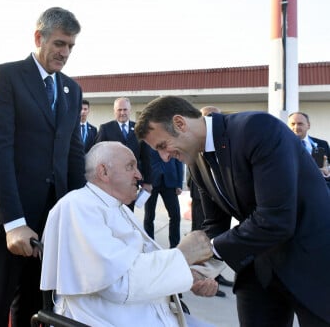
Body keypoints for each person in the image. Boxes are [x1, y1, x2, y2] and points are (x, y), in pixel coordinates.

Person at [136, 96, 330, 326]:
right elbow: (214, 225)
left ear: (180, 123)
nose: (164, 157)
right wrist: (198, 269)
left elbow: (275, 219)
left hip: (312, 261)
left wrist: (210, 252)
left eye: (162, 145)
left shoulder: (257, 128)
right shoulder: (196, 161)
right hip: (258, 267)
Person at [0, 7, 86, 327]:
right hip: (7, 213)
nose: (65, 53)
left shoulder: (72, 90)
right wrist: (13, 222)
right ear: (39, 37)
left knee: (34, 304)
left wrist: (79, 213)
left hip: (49, 217)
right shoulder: (7, 76)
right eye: (60, 44)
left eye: (71, 47)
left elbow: (73, 154)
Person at [40, 141, 220, 327]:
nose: (139, 175)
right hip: (106, 319)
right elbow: (118, 283)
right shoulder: (78, 206)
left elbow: (144, 260)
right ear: (104, 172)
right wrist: (182, 255)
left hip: (144, 313)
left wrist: (189, 276)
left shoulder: (119, 208)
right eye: (130, 167)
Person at [188, 106, 232, 297]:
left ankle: (214, 274)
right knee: (201, 231)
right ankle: (206, 275)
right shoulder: (194, 152)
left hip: (219, 199)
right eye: (205, 118)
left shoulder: (229, 147)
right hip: (200, 195)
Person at [95, 97, 151, 210]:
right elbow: (97, 155)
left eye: (125, 110)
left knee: (128, 213)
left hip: (131, 181)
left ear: (130, 110)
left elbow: (146, 157)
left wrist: (148, 182)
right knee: (111, 213)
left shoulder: (138, 129)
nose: (122, 113)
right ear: (114, 111)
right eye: (119, 110)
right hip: (111, 182)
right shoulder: (106, 129)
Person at [143, 142, 184, 248]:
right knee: (149, 216)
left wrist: (179, 183)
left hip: (170, 182)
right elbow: (141, 160)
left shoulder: (171, 138)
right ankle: (150, 245)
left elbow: (179, 161)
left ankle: (175, 246)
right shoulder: (146, 140)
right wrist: (143, 181)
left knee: (175, 215)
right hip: (151, 182)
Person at [288, 111, 330, 188]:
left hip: (319, 191)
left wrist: (327, 173)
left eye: (300, 124)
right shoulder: (281, 146)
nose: (296, 127)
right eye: (292, 124)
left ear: (308, 125)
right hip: (294, 192)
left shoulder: (322, 144)